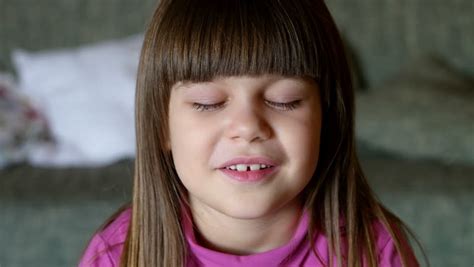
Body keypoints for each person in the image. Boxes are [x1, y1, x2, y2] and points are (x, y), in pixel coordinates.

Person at [79, 0, 422, 266]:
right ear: (161, 125)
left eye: (284, 100)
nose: (247, 127)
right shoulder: (118, 254)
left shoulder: (373, 249)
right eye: (208, 102)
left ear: (327, 118)